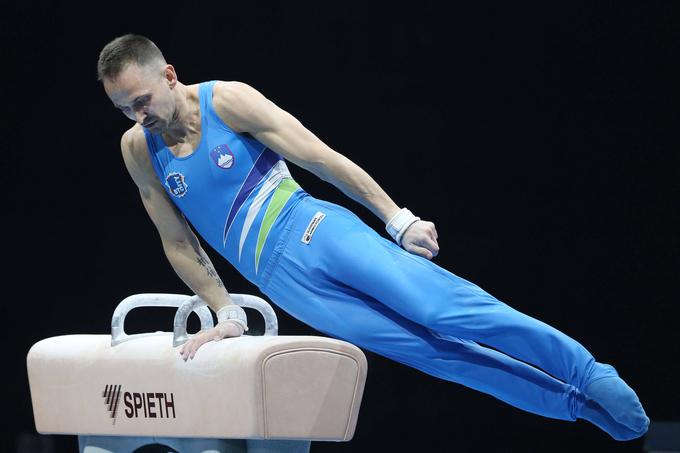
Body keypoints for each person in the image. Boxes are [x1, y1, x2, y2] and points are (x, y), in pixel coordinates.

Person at [97, 34, 649, 443]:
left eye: (141, 100)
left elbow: (320, 157)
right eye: (123, 108)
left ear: (169, 75)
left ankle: (587, 373)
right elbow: (177, 243)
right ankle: (572, 405)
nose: (136, 116)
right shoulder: (137, 150)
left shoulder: (226, 102)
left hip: (314, 229)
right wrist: (227, 313)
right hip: (281, 282)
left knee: (444, 310)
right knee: (435, 356)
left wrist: (396, 217)